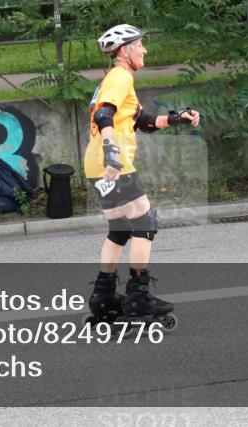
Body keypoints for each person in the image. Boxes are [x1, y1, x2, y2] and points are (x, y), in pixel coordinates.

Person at [84, 23, 200, 325]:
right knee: (145, 223)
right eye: (139, 45)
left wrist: (178, 118)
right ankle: (138, 296)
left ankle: (103, 296)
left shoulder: (117, 80)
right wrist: (112, 153)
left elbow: (144, 122)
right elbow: (103, 114)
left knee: (120, 230)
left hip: (96, 163)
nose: (144, 49)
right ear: (125, 51)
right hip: (112, 161)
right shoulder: (120, 76)